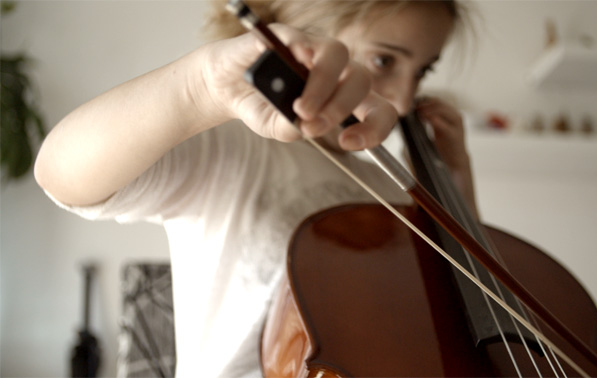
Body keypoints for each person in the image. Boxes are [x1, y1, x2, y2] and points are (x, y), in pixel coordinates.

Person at [34, 0, 476, 376]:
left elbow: (464, 308)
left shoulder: (395, 192)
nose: (403, 101)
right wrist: (199, 88)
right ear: (305, 34)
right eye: (385, 61)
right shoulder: (240, 147)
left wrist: (455, 181)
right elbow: (61, 175)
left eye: (421, 73)